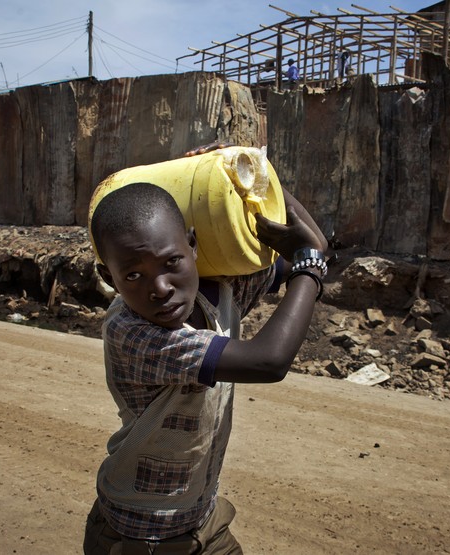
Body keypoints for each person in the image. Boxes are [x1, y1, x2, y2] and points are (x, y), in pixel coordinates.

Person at [83, 158, 327, 554]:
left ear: (192, 246)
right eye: (133, 275)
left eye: (171, 262)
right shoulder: (132, 332)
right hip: (141, 535)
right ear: (109, 278)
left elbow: (298, 250)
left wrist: (246, 172)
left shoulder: (214, 297)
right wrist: (313, 262)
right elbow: (268, 361)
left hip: (201, 519)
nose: (160, 287)